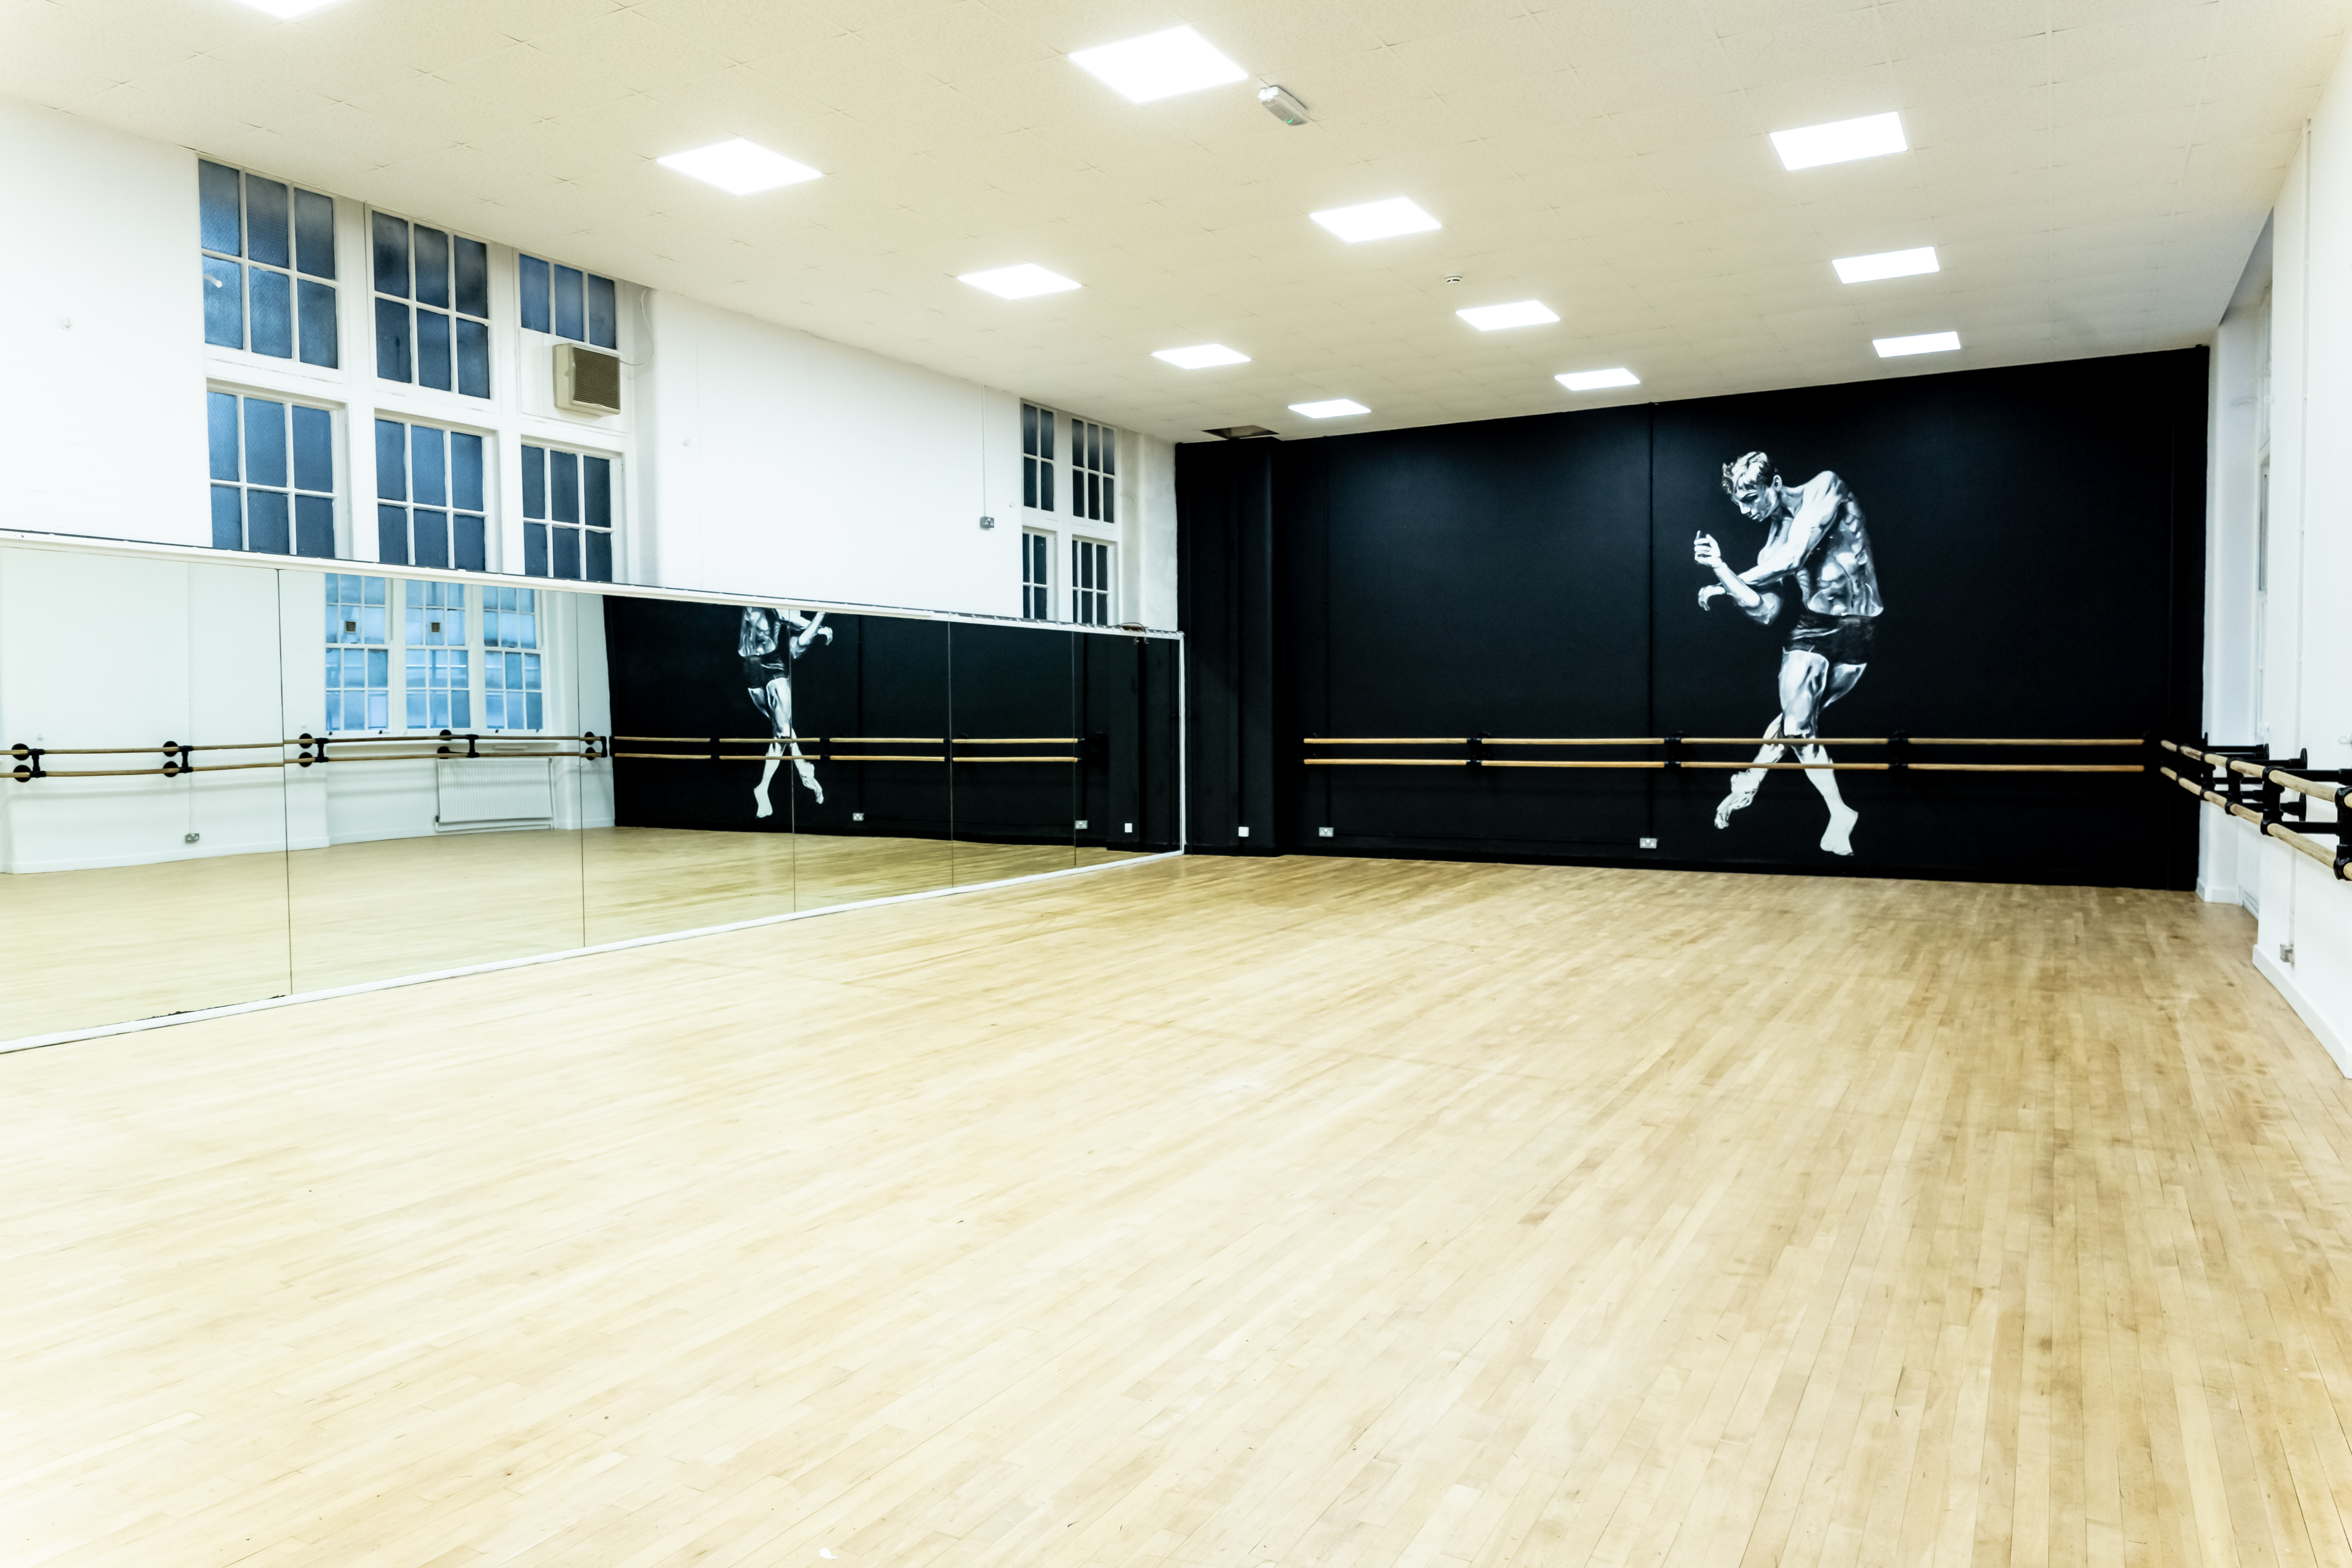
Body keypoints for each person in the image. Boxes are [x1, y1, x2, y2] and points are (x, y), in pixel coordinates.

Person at [1693, 450, 1883, 856]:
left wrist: (1733, 579)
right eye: (1739, 503)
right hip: (1811, 630)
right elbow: (1765, 612)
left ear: (1775, 485)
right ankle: (1839, 812)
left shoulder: (1825, 487)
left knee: (1795, 721)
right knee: (1798, 727)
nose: (1746, 511)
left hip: (1858, 626)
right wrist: (1722, 572)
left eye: (1752, 498)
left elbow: (1795, 557)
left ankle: (1750, 781)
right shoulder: (1772, 545)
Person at [740, 605, 833, 818]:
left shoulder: (781, 615)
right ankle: (803, 772)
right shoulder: (754, 604)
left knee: (782, 732)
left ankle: (764, 788)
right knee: (784, 731)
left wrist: (820, 619)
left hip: (774, 669)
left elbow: (799, 626)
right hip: (750, 668)